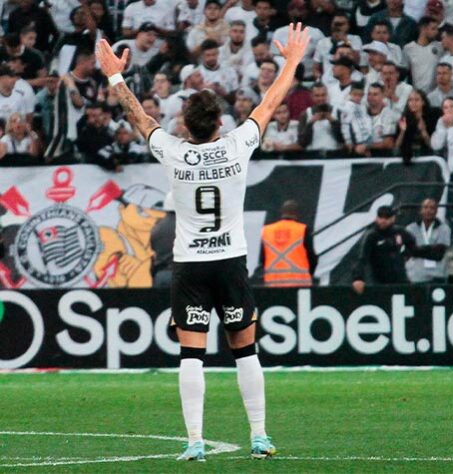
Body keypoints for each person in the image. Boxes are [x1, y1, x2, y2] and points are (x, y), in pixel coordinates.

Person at [94, 22, 311, 460]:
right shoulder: (236, 145)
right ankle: (259, 435)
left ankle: (195, 441)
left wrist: (115, 76)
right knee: (245, 349)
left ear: (185, 124)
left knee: (190, 355)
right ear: (218, 122)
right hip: (230, 261)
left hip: (189, 265)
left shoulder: (173, 151)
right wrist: (291, 61)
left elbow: (140, 117)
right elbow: (270, 103)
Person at [351, 205, 446, 294]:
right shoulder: (372, 236)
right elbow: (362, 259)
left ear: (393, 218)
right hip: (380, 282)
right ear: (376, 218)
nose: (383, 221)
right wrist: (358, 278)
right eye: (380, 217)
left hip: (400, 280)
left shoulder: (400, 232)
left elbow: (414, 250)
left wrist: (433, 250)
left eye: (386, 218)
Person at [257, 200, 318, 287]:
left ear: (282, 213)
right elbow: (312, 257)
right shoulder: (302, 230)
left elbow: (262, 259)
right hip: (299, 283)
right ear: (297, 214)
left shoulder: (267, 230)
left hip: (273, 284)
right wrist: (308, 274)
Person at [405, 198, 452, 283]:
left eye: (432, 208)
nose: (428, 211)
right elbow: (410, 251)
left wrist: (418, 250)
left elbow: (439, 253)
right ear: (420, 210)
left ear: (436, 211)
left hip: (438, 274)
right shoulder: (410, 228)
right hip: (415, 275)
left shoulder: (444, 229)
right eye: (425, 207)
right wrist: (431, 248)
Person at [151, 193, 177, 288]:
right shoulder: (186, 225)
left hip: (162, 275)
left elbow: (153, 248)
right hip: (183, 275)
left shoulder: (157, 226)